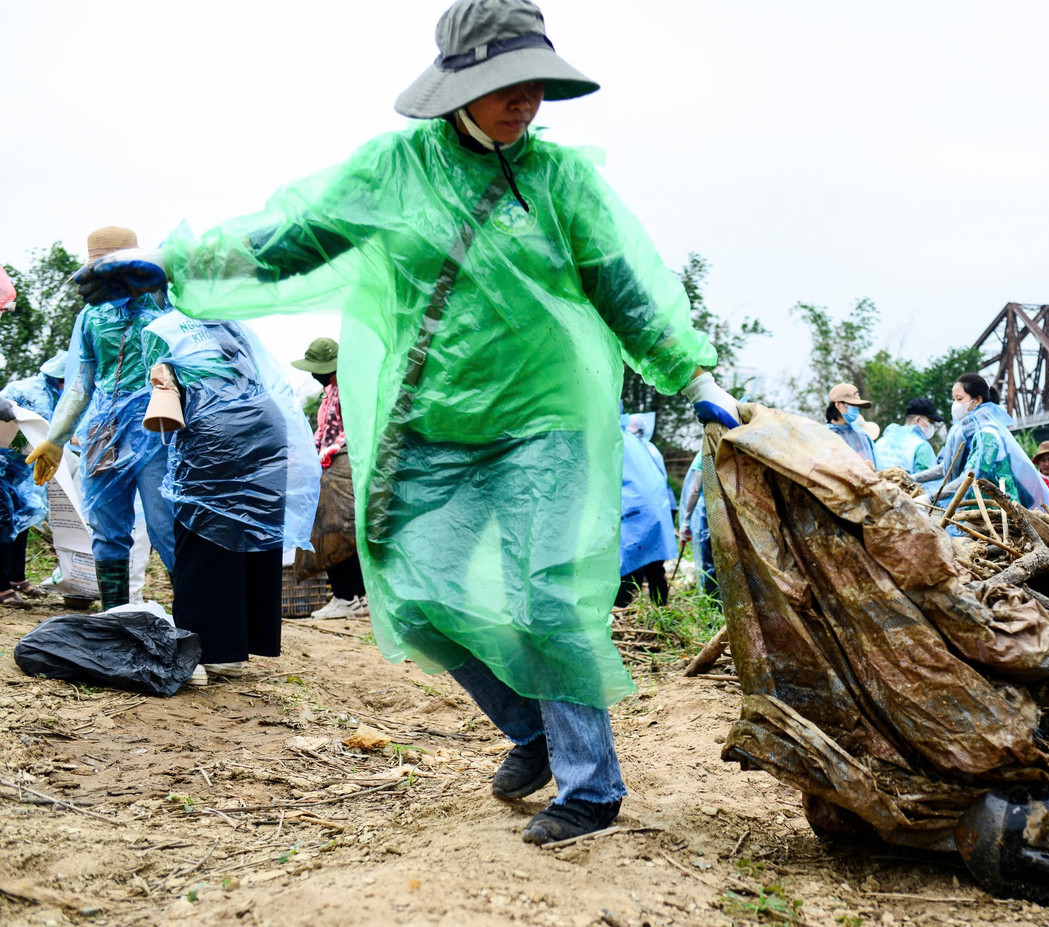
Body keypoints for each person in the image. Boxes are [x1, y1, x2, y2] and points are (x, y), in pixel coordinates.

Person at [75, 0, 736, 845]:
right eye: (503, 82)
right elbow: (291, 239)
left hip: (546, 420)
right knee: (415, 595)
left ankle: (590, 784)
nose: (523, 98)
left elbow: (627, 289)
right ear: (456, 84)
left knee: (545, 595)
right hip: (436, 425)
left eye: (534, 80)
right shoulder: (393, 173)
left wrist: (695, 373)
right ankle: (531, 728)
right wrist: (175, 263)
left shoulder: (562, 181)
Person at [141, 313, 318, 684]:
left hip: (214, 435)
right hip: (267, 431)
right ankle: (237, 649)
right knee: (250, 534)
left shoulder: (162, 329)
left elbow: (160, 398)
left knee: (204, 537)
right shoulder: (234, 327)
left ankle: (208, 651)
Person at [26, 226, 177, 610]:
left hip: (155, 428)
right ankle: (114, 619)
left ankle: (198, 626)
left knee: (166, 528)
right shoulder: (90, 317)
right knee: (107, 531)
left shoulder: (163, 301)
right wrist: (57, 438)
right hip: (104, 430)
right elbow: (81, 381)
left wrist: (153, 277)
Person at [293, 337, 368, 620]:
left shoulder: (349, 389)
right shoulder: (332, 391)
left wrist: (328, 452)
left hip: (343, 464)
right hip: (335, 461)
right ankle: (356, 598)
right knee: (345, 531)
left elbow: (351, 429)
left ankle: (346, 596)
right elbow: (325, 430)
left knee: (332, 531)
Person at [920, 373, 1049, 511]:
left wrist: (931, 497)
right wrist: (913, 478)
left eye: (959, 399)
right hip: (977, 508)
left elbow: (969, 477)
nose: (955, 405)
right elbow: (947, 467)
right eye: (954, 399)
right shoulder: (969, 432)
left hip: (998, 511)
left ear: (977, 400)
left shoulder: (988, 435)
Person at [0, 352, 68, 604]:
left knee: (25, 516)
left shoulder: (61, 398)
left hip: (23, 470)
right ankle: (2, 586)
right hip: (2, 464)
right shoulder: (26, 389)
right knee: (3, 521)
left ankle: (17, 577)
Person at [615, 421, 678, 608]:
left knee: (628, 564)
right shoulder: (648, 448)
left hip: (634, 514)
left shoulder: (622, 441)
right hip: (657, 511)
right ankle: (661, 610)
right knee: (655, 567)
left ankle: (621, 611)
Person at [678, 451, 717, 598]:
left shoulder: (704, 453)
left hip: (705, 511)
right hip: (727, 509)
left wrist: (685, 521)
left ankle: (712, 599)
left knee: (707, 559)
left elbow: (694, 489)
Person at [874, 396, 942, 473]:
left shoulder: (883, 441)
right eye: (930, 422)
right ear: (918, 420)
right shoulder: (921, 446)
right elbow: (928, 481)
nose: (932, 426)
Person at [825, 382, 877, 465]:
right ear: (838, 405)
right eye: (852, 405)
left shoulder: (862, 435)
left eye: (857, 406)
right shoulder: (825, 435)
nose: (856, 410)